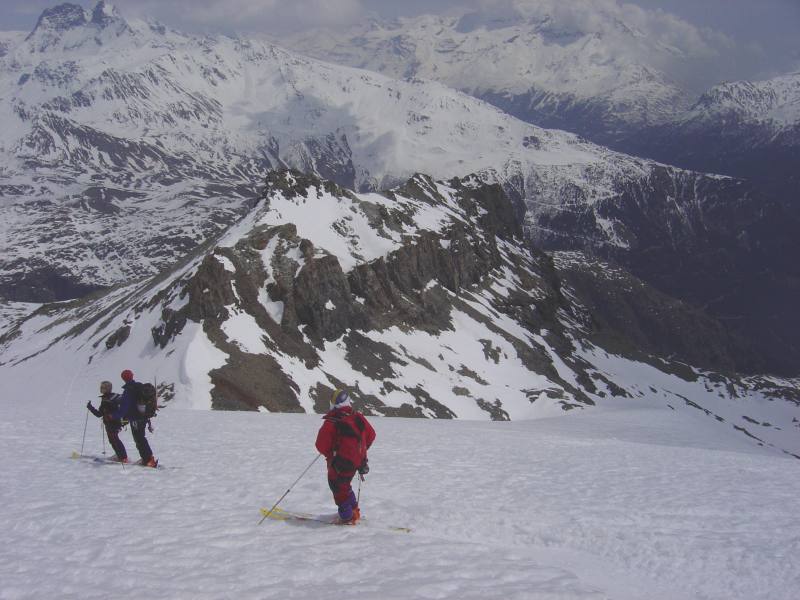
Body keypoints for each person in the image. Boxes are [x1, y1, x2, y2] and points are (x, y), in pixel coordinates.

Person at [315, 388, 375, 525]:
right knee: (345, 485)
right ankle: (354, 510)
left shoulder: (332, 421)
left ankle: (347, 516)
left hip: (339, 464)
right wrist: (360, 451)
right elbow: (371, 435)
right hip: (358, 462)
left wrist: (331, 453)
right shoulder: (358, 417)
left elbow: (320, 445)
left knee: (338, 487)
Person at [113, 369, 158, 468]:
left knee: (139, 439)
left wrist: (114, 416)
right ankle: (147, 458)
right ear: (132, 376)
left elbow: (124, 407)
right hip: (144, 416)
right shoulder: (139, 386)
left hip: (136, 418)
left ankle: (148, 460)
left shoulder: (128, 390)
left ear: (123, 378)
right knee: (141, 438)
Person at [87, 380, 128, 463]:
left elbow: (99, 414)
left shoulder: (107, 399)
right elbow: (101, 413)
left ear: (107, 388)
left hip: (112, 423)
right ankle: (120, 455)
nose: (101, 389)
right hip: (114, 422)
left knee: (114, 439)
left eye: (102, 387)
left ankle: (123, 457)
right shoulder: (112, 397)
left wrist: (90, 407)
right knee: (114, 439)